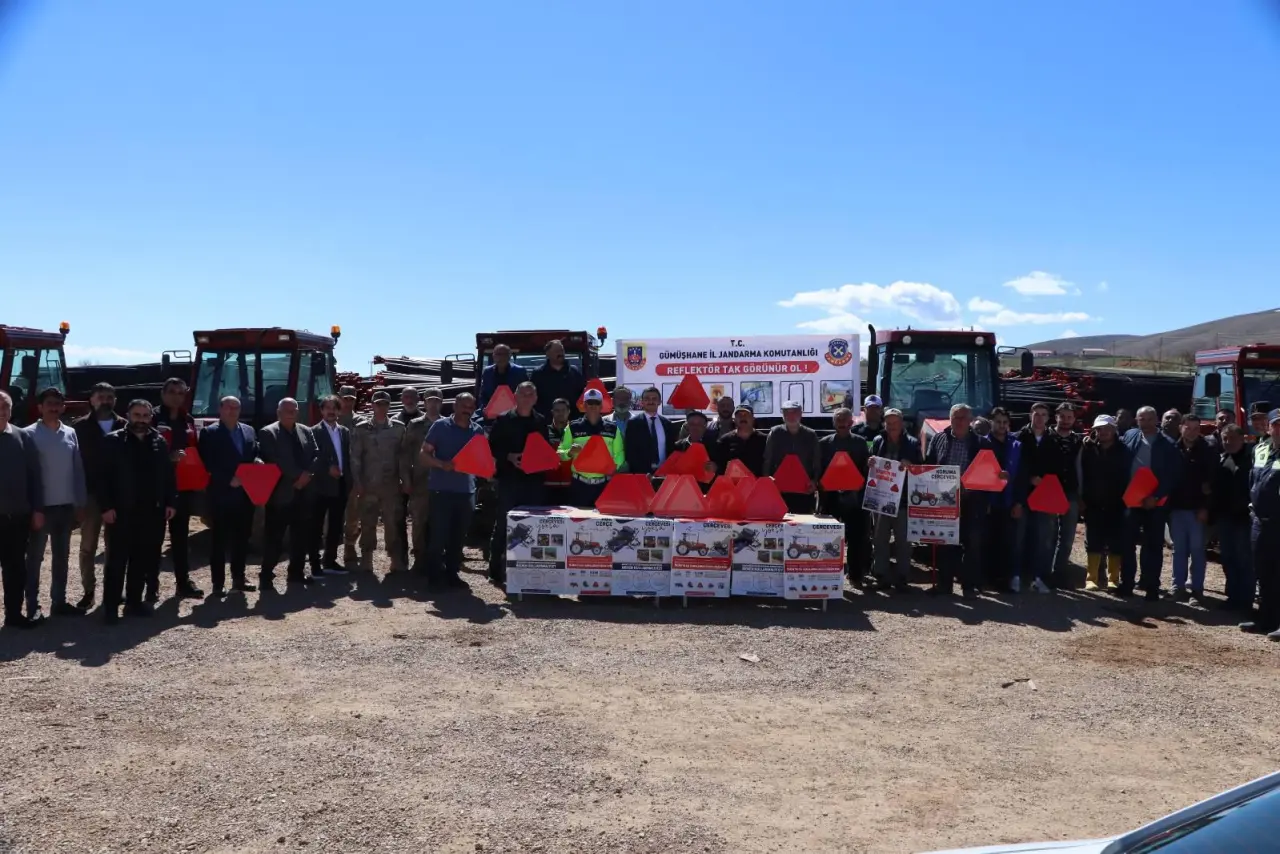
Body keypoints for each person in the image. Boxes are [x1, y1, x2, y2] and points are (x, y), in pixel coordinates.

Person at [97, 400, 176, 622]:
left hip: (150, 512)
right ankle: (111, 607)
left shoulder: (158, 441)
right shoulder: (113, 441)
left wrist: (170, 502)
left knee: (141, 560)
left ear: (150, 417)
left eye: (144, 415)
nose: (140, 419)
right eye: (136, 415)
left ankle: (134, 602)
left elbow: (168, 475)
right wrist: (106, 507)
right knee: (116, 561)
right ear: (128, 415)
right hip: (120, 512)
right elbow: (101, 478)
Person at [23, 388, 86, 622]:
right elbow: (27, 475)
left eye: (58, 404)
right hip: (41, 509)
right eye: (49, 403)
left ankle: (59, 602)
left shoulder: (70, 433)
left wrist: (80, 502)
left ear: (63, 407)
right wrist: (33, 509)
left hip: (65, 507)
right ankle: (33, 606)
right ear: (40, 407)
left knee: (61, 557)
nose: (54, 407)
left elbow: (77, 469)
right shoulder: (28, 434)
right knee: (35, 558)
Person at [487, 381, 549, 586]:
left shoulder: (541, 421)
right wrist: (509, 457)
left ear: (536, 398)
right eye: (523, 394)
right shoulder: (503, 420)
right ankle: (495, 570)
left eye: (530, 394)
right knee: (504, 525)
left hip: (533, 482)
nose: (526, 397)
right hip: (509, 480)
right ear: (515, 396)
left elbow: (546, 450)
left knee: (532, 526)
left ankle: (529, 569)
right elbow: (491, 449)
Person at [197, 396, 260, 596]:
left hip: (245, 494)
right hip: (222, 494)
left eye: (236, 407)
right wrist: (228, 479)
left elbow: (254, 453)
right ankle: (218, 584)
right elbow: (207, 463)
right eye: (228, 407)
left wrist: (258, 461)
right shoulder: (210, 433)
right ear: (221, 409)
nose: (232, 411)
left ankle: (239, 579)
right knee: (219, 541)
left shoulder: (249, 430)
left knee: (242, 539)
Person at [421, 392, 484, 589]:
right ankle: (434, 577)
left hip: (466, 492)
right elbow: (423, 454)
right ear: (455, 406)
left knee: (458, 537)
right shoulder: (440, 426)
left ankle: (452, 574)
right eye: (464, 406)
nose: (467, 410)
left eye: (471, 407)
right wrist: (441, 464)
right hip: (441, 491)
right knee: (439, 536)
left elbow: (482, 459)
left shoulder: (478, 430)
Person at [72, 382, 126, 611]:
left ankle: (114, 591)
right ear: (92, 400)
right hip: (91, 495)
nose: (105, 401)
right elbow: (73, 465)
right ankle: (89, 591)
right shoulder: (79, 428)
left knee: (116, 547)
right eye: (101, 397)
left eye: (109, 397)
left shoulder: (126, 425)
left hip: (119, 496)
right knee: (88, 547)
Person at [258, 398, 322, 586]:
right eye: (287, 410)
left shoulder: (306, 430)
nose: (291, 412)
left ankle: (296, 574)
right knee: (274, 538)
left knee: (300, 537)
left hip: (304, 493)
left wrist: (307, 474)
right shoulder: (268, 433)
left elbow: (316, 454)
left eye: (294, 410)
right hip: (280, 494)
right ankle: (266, 576)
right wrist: (298, 476)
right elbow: (274, 460)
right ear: (278, 412)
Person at [924, 404, 984, 599]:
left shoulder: (981, 442)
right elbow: (929, 465)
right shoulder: (939, 438)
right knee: (944, 542)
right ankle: (944, 584)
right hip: (943, 500)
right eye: (956, 417)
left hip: (970, 500)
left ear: (970, 420)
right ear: (950, 419)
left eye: (963, 418)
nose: (959, 421)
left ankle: (968, 586)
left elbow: (987, 471)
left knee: (971, 544)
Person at [1121, 406, 1181, 600]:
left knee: (1153, 545)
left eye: (1148, 419)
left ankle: (1151, 586)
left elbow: (1173, 476)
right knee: (1127, 543)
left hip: (1155, 503)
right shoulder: (1130, 436)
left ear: (1156, 419)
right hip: (1131, 499)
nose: (1144, 423)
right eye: (1141, 419)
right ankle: (1127, 584)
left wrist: (1156, 496)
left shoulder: (1169, 444)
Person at [152, 377, 203, 600]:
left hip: (183, 486)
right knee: (153, 539)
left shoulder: (187, 419)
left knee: (181, 537)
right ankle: (150, 585)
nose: (176, 396)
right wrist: (167, 457)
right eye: (172, 391)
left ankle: (183, 583)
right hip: (157, 487)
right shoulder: (151, 417)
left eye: (180, 393)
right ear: (163, 394)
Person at [351, 390, 410, 573]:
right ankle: (367, 558)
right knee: (368, 522)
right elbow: (355, 458)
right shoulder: (361, 428)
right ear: (372, 405)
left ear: (389, 406)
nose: (381, 407)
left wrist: (405, 480)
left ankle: (394, 558)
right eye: (378, 403)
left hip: (391, 485)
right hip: (369, 484)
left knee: (392, 522)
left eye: (385, 404)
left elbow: (404, 457)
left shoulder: (399, 428)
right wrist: (357, 481)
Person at [1, 391, 44, 630]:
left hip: (15, 517)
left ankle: (14, 615)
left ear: (10, 410)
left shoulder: (22, 437)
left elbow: (35, 477)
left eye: (4, 407)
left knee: (15, 569)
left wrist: (37, 509)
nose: (0, 411)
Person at [1013, 402, 1064, 593]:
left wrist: (1046, 481)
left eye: (1044, 414)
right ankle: (1015, 576)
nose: (1040, 418)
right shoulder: (1019, 437)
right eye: (1037, 414)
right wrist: (1029, 479)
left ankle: (1040, 577)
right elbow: (1014, 466)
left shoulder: (1054, 440)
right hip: (1022, 494)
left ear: (1048, 418)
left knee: (1043, 539)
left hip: (1045, 496)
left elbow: (1059, 467)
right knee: (1018, 537)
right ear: (1030, 415)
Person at [818, 408, 871, 584]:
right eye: (838, 419)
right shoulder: (824, 443)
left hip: (854, 499)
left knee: (856, 538)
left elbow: (866, 469)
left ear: (851, 423)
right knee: (827, 537)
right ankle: (827, 575)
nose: (842, 423)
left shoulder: (860, 443)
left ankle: (855, 575)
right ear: (834, 423)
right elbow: (818, 469)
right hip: (830, 498)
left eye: (845, 420)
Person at [869, 409, 921, 590]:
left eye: (895, 423)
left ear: (902, 424)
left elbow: (921, 470)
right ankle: (881, 575)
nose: (891, 427)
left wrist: (912, 466)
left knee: (903, 541)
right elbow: (870, 466)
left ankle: (902, 577)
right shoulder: (877, 441)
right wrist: (870, 463)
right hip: (881, 498)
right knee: (880, 539)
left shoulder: (913, 443)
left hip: (903, 500)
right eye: (888, 423)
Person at [1240, 409, 1280, 639]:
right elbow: (1253, 481)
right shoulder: (1260, 449)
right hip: (1260, 521)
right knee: (1263, 572)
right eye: (1276, 424)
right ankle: (1266, 619)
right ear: (1269, 427)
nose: (1279, 429)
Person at [1079, 414, 1131, 592]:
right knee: (1093, 541)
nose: (1103, 432)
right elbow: (1082, 474)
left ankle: (1113, 579)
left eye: (1106, 428)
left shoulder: (1124, 450)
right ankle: (1091, 578)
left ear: (1114, 429)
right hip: (1093, 503)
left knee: (1115, 542)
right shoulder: (1087, 448)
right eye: (1099, 429)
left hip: (1117, 503)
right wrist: (1082, 498)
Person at [1167, 413, 1214, 602]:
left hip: (1197, 510)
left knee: (1197, 551)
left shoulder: (1208, 450)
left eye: (1196, 428)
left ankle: (1197, 590)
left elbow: (1212, 483)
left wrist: (1206, 508)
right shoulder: (1173, 449)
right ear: (1181, 428)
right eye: (1189, 428)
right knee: (1179, 550)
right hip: (1176, 508)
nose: (1193, 432)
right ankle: (1177, 587)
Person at [557, 388, 624, 507]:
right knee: (577, 522)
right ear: (584, 405)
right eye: (590, 403)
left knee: (604, 523)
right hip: (579, 485)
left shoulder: (613, 428)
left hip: (603, 484)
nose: (593, 406)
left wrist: (610, 467)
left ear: (601, 405)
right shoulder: (573, 427)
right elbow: (559, 453)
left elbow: (619, 455)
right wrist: (569, 452)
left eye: (597, 403)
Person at [1212, 424, 1254, 612]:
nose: (1228, 442)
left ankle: (1245, 601)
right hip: (1225, 517)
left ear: (1242, 438)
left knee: (1244, 560)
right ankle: (1232, 597)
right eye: (1225, 439)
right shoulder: (1222, 459)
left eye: (1232, 438)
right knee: (1228, 558)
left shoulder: (1251, 459)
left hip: (1244, 519)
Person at [400, 390, 443, 573]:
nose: (433, 404)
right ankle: (419, 559)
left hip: (443, 481)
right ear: (424, 403)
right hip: (420, 481)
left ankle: (437, 560)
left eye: (436, 400)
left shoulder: (448, 424)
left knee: (441, 523)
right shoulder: (415, 425)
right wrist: (406, 479)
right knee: (418, 522)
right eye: (429, 400)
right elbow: (404, 454)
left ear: (441, 403)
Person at [310, 394, 351, 576]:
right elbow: (312, 457)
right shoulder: (313, 431)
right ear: (321, 411)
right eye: (327, 408)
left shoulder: (344, 431)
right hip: (320, 486)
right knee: (316, 526)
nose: (331, 411)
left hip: (340, 485)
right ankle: (315, 566)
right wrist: (327, 469)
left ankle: (330, 561)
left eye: (334, 408)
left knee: (336, 525)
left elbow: (347, 457)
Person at [981, 407, 1021, 591]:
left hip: (1009, 500)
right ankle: (986, 579)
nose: (1002, 425)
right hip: (989, 502)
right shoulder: (983, 443)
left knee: (1007, 543)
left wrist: (1018, 502)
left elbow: (1022, 475)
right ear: (991, 422)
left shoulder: (1016, 445)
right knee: (987, 541)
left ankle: (1004, 581)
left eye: (1005, 422)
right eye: (998, 422)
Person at [764, 400, 821, 514]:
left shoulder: (810, 435)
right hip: (779, 489)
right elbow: (767, 459)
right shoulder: (775, 433)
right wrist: (767, 479)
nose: (790, 416)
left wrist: (815, 481)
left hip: (804, 489)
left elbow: (817, 461)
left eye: (794, 412)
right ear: (782, 415)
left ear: (801, 413)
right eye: (787, 412)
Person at [1048, 403, 1083, 587]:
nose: (1066, 420)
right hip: (1049, 491)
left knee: (1067, 536)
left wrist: (1080, 494)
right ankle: (1044, 572)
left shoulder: (1078, 441)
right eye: (1063, 416)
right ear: (1056, 417)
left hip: (1070, 492)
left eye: (1070, 417)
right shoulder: (1046, 437)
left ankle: (1059, 573)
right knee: (1048, 535)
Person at [391, 387, 422, 566]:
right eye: (406, 396)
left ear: (418, 398)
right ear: (401, 399)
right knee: (398, 517)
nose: (409, 399)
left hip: (421, 476)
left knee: (421, 518)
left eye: (412, 396)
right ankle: (400, 557)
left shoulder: (427, 421)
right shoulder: (394, 421)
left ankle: (420, 556)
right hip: (398, 477)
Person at [624, 386, 679, 477]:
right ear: (642, 402)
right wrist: (641, 473)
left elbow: (671, 449)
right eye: (647, 399)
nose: (651, 401)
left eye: (654, 399)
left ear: (659, 402)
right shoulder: (633, 423)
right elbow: (630, 452)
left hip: (664, 474)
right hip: (642, 475)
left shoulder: (667, 423)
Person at [338, 385, 363, 566]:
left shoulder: (361, 422)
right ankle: (329, 549)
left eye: (351, 399)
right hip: (334, 473)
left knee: (352, 514)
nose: (347, 402)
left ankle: (349, 547)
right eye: (345, 398)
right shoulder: (332, 419)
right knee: (331, 515)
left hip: (353, 473)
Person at [531, 340, 585, 420]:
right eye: (557, 351)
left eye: (562, 350)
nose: (561, 353)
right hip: (546, 422)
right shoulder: (538, 374)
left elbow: (582, 396)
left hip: (572, 422)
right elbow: (533, 399)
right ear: (548, 354)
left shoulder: (574, 372)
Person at [714, 404, 767, 476]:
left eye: (746, 415)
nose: (743, 417)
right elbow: (720, 467)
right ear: (734, 420)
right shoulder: (724, 441)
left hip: (757, 485)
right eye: (739, 415)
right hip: (733, 485)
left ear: (753, 419)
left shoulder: (765, 440)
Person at [478, 344, 529, 412]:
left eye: (504, 354)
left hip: (515, 412)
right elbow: (483, 394)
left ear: (509, 356)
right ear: (493, 356)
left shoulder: (519, 371)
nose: (501, 357)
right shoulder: (487, 372)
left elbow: (526, 393)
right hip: (492, 411)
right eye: (498, 354)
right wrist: (485, 408)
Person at [545, 398, 574, 506]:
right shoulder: (544, 431)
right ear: (552, 412)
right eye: (557, 410)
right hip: (548, 487)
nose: (560, 413)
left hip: (572, 486)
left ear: (568, 411)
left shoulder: (576, 430)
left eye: (563, 410)